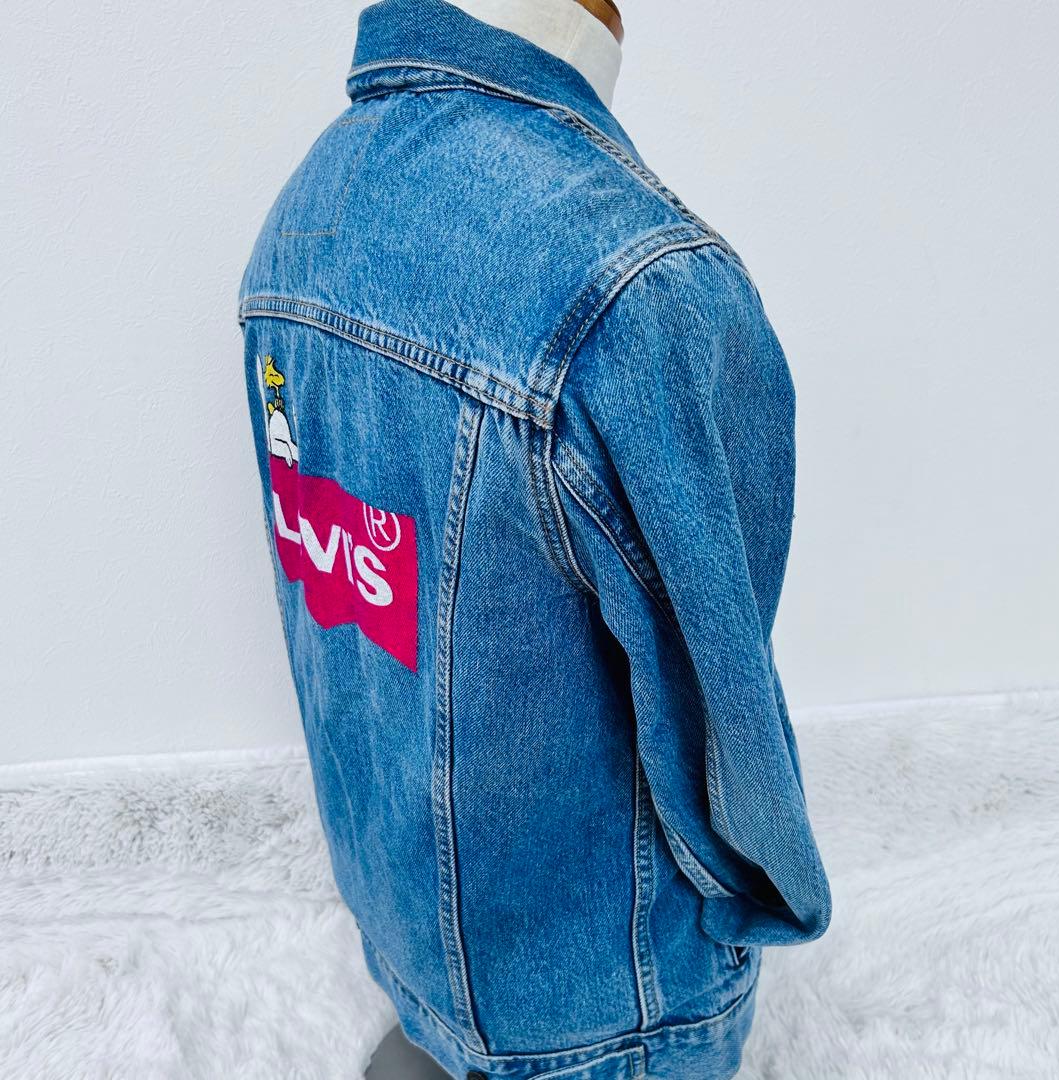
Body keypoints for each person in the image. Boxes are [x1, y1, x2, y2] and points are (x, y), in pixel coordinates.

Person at [238, 1, 832, 1076]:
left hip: (406, 947)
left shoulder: (295, 221)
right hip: (601, 1015)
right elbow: (722, 730)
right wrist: (759, 906)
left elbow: (347, 634)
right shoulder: (635, 286)